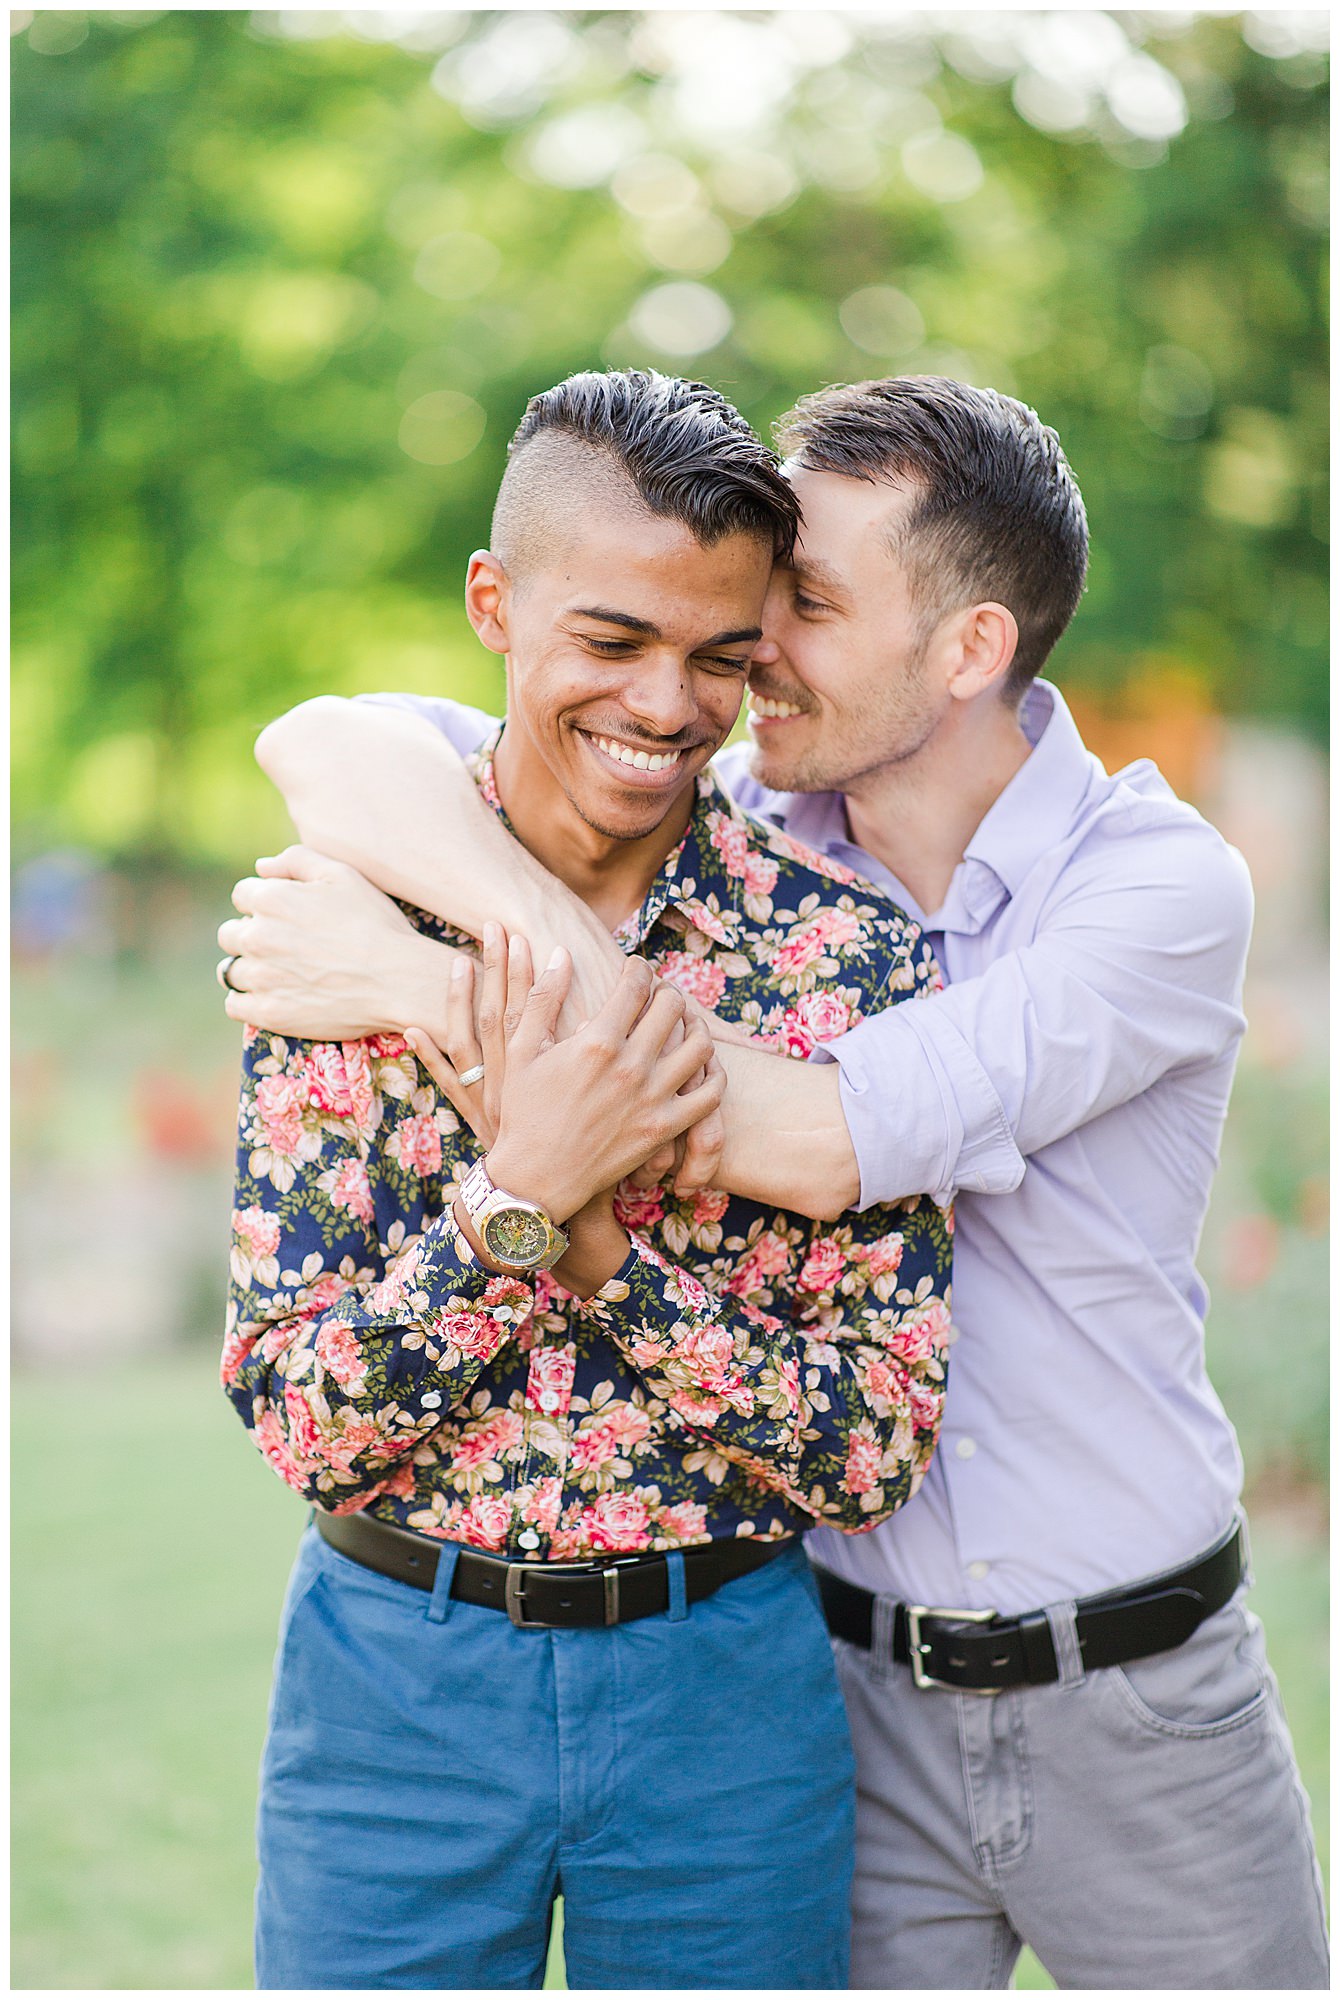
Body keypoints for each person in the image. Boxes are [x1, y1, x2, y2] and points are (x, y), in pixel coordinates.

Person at [225, 373, 1328, 1991]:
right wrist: (508, 941)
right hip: (792, 1671)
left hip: (1109, 1679)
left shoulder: (1122, 900)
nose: (722, 673)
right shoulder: (675, 808)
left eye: (785, 612)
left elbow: (826, 1148)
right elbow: (330, 741)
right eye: (727, 622)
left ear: (967, 651)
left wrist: (441, 1008)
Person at [220, 367, 953, 1992]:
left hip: (727, 1699)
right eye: (613, 643)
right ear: (495, 604)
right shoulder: (341, 925)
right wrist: (516, 1210)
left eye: (720, 659)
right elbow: (299, 1414)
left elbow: (875, 1443)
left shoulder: (850, 963)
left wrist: (614, 1261)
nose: (666, 706)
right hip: (395, 1687)